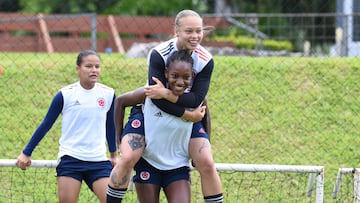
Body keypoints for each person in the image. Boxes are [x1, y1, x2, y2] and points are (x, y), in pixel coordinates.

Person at [107, 9, 223, 203]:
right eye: (189, 31)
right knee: (126, 159)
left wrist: (170, 97)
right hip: (153, 113)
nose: (195, 36)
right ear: (177, 31)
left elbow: (197, 100)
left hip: (187, 116)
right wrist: (186, 113)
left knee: (207, 163)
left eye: (198, 31)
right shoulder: (159, 54)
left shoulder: (205, 60)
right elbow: (156, 99)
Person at [16, 50, 117, 203]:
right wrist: (26, 152)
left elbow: (111, 126)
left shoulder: (108, 94)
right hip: (71, 159)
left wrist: (113, 155)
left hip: (98, 161)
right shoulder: (65, 95)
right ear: (78, 69)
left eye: (97, 66)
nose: (94, 70)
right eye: (88, 66)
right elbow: (46, 124)